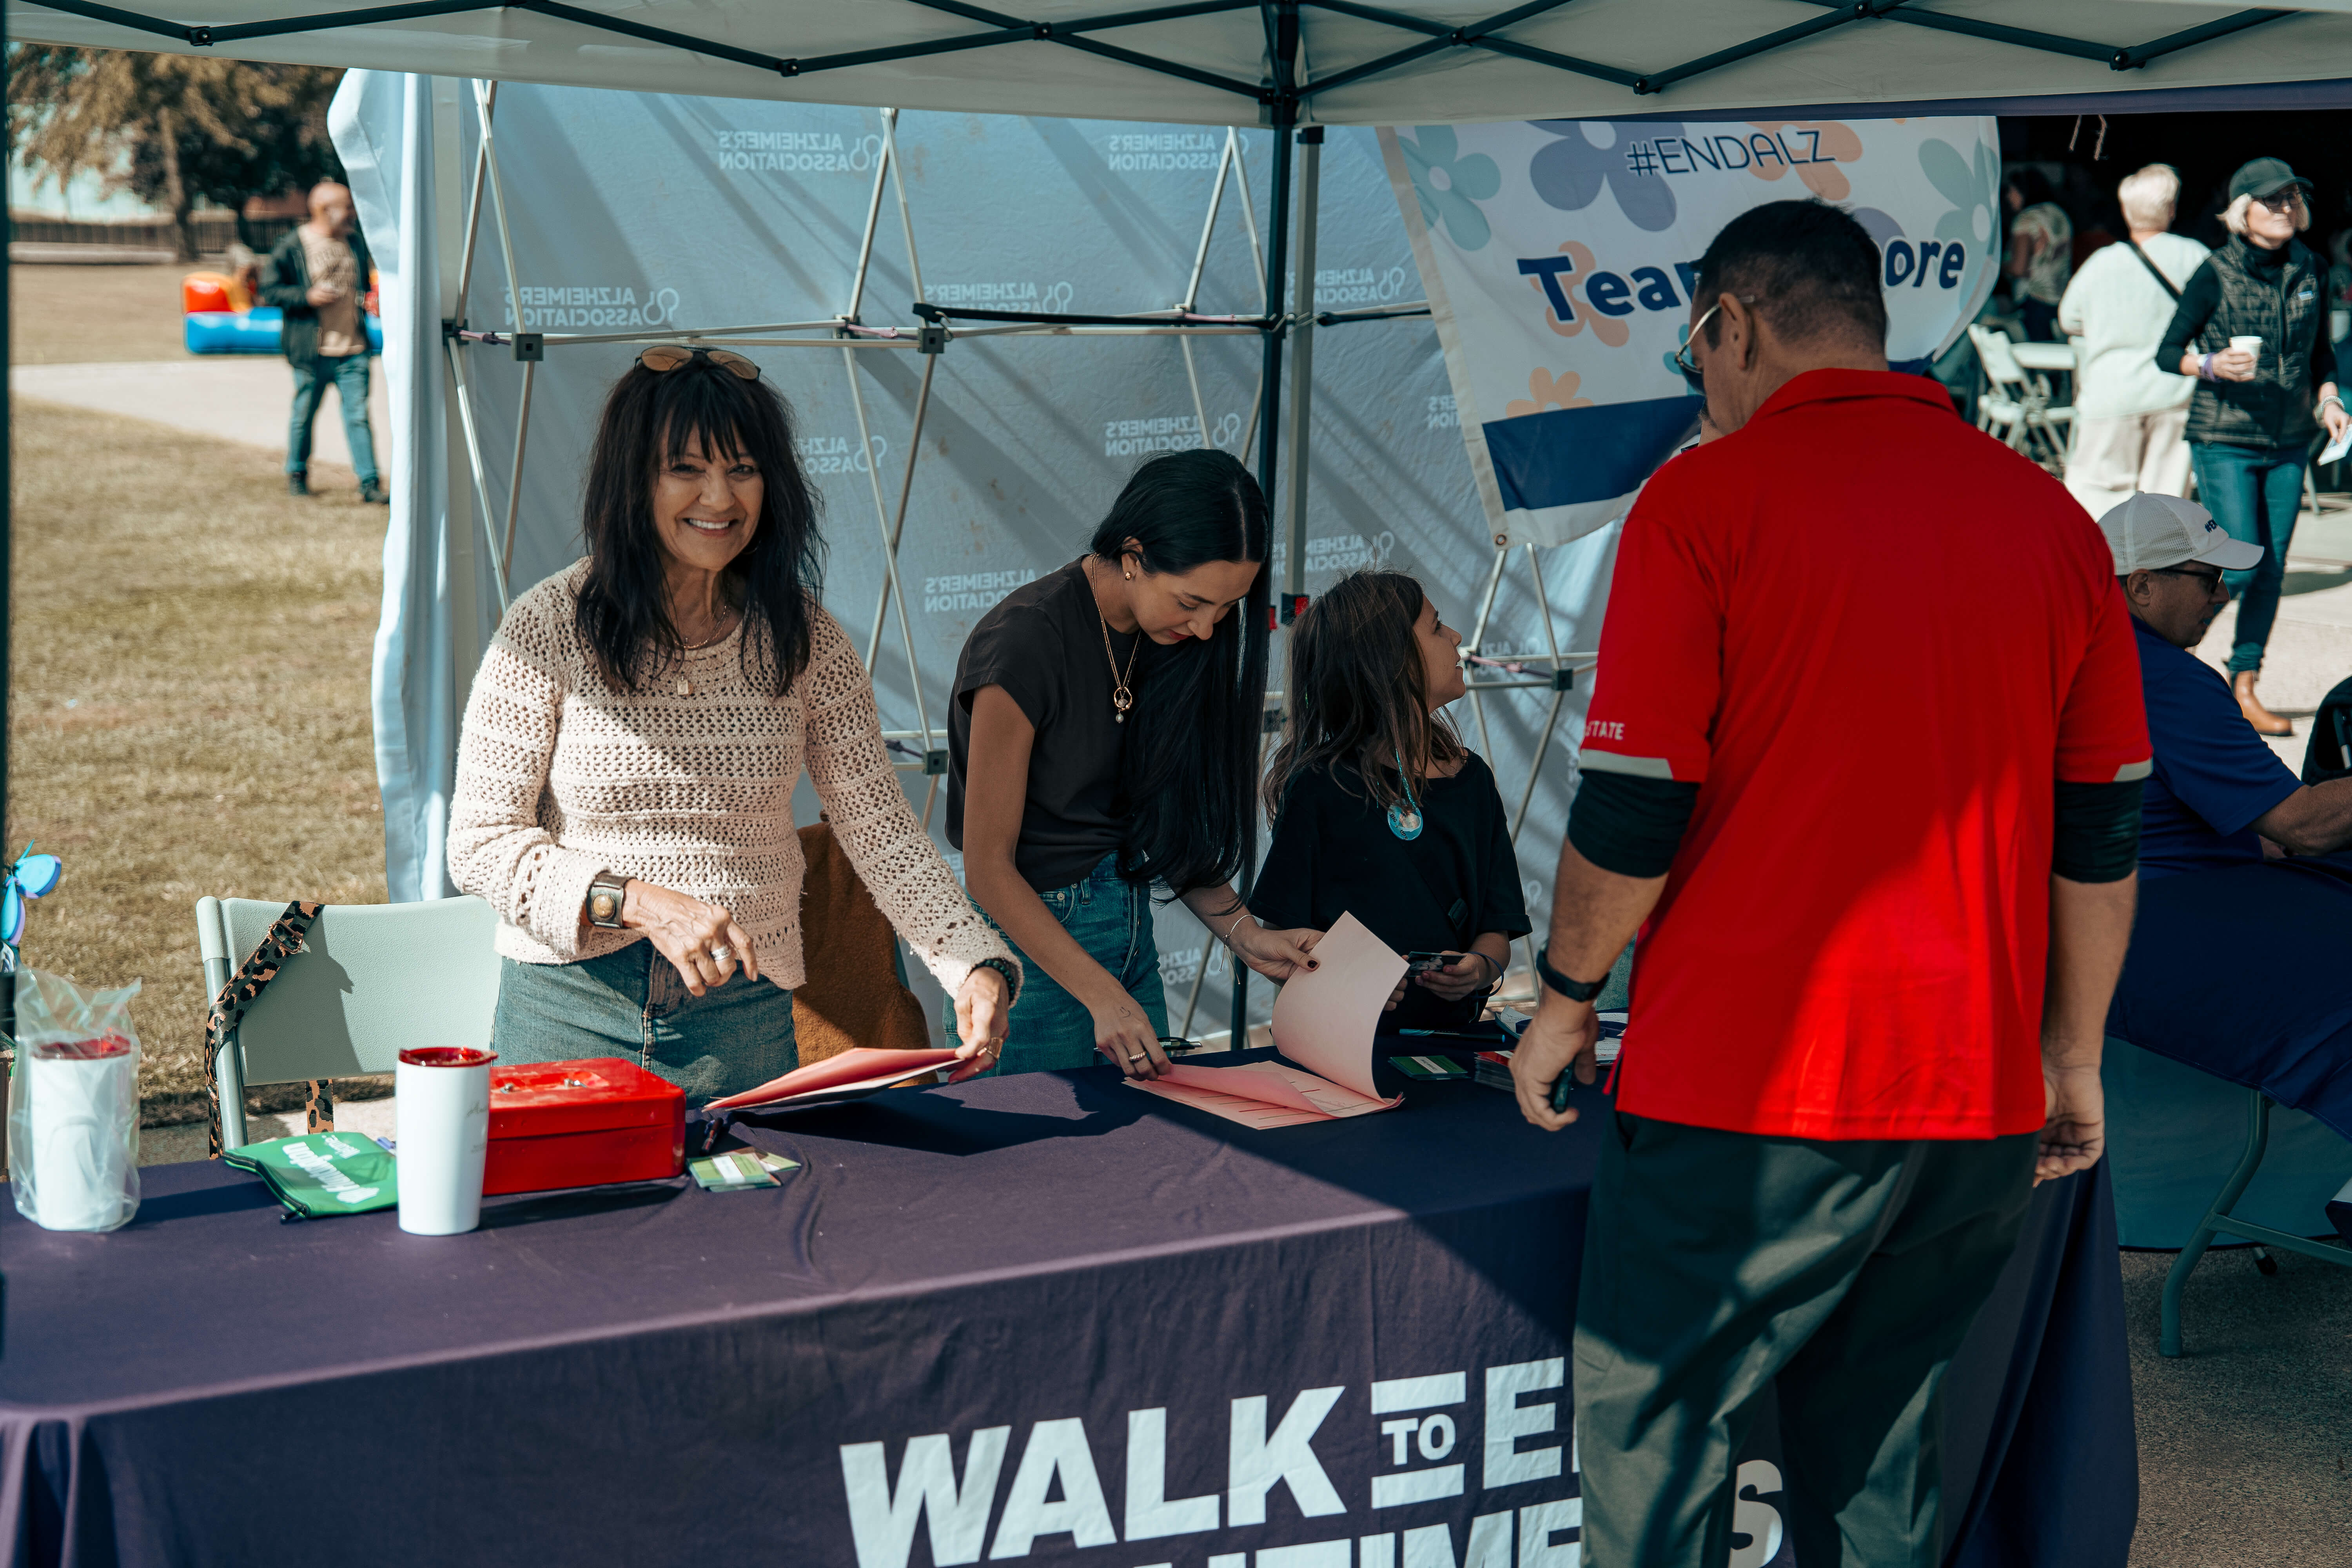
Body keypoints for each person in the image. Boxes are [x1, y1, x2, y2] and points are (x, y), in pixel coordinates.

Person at [1512, 200, 2150, 1568]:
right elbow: (2100, 830)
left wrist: (1566, 997)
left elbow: (1634, 808)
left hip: (1752, 1090)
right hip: (1973, 1095)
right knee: (1882, 1459)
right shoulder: (2051, 522)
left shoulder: (1703, 499)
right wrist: (2074, 1056)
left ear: (1726, 324)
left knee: (1657, 1434)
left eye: (1697, 347)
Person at [449, 345, 1019, 1101]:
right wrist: (642, 901)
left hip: (741, 1020)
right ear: (633, 479)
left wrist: (972, 961)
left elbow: (880, 830)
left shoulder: (805, 639)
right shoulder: (550, 626)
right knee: (556, 1218)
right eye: (685, 468)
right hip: (568, 1009)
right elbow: (480, 843)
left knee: (745, 1221)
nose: (720, 498)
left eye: (743, 469)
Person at [948, 450, 1318, 1079]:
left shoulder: (1175, 643)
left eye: (1226, 609)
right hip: (1031, 952)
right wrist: (1101, 995)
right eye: (1192, 601)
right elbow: (987, 868)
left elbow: (1165, 820)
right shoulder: (1023, 642)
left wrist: (1246, 934)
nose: (1206, 629)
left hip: (1127, 935)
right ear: (1131, 556)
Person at [2096, 491, 2352, 1139]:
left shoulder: (2058, 643)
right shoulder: (2160, 676)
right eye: (2209, 580)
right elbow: (2304, 824)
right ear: (2144, 585)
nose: (2222, 598)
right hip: (2149, 923)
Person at [1250, 571, 1530, 1030]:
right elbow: (1281, 941)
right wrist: (1351, 978)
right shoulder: (1321, 788)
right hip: (1343, 1052)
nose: (1456, 636)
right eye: (1437, 627)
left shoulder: (1474, 779)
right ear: (1390, 659)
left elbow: (1497, 929)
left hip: (1453, 1049)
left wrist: (1479, 969)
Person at [2156, 156, 2352, 737]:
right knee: (2237, 563)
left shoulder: (2312, 267)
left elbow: (2322, 357)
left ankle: (2244, 685)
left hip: (2291, 439)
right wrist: (2210, 363)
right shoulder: (2215, 271)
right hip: (2224, 438)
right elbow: (2169, 352)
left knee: (2269, 570)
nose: (2287, 207)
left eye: (2293, 197)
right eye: (2274, 199)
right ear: (2243, 212)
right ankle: (2171, 663)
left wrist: (2331, 403)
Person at [2057, 165, 2207, 517]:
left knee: (2098, 497)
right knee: (2165, 502)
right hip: (2174, 390)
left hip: (2110, 393)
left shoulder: (2101, 263)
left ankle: (2108, 570)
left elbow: (2069, 319)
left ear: (2126, 211)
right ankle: (2156, 572)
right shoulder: (2195, 256)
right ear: (2171, 208)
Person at [258, 181, 385, 504]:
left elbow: (363, 283)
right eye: (348, 207)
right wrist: (307, 296)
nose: (353, 214)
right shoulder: (292, 245)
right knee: (304, 414)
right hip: (312, 351)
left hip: (354, 349)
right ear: (325, 210)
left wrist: (370, 299)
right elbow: (269, 290)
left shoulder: (355, 242)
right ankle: (297, 474)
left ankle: (369, 483)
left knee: (358, 416)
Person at [2003, 166, 2073, 341]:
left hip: (2034, 298)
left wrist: (1995, 265)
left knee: (2033, 358)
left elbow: (2019, 268)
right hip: (2060, 298)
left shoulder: (2026, 220)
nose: (2008, 197)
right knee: (2053, 358)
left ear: (2023, 191)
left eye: (2011, 191)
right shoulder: (2059, 214)